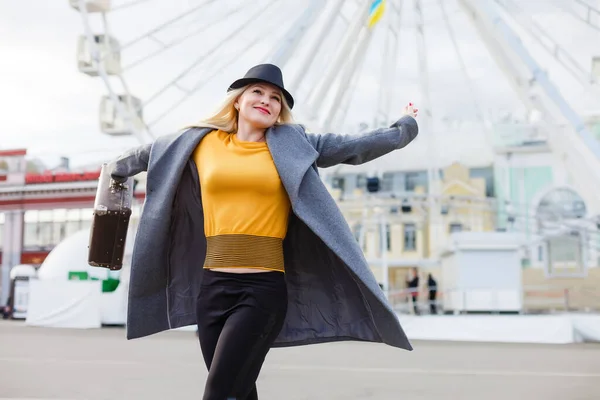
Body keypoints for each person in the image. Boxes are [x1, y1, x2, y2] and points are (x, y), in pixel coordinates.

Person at [105, 63, 419, 399]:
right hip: (212, 289)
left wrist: (404, 126)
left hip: (262, 291)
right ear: (238, 101)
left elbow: (355, 146)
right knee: (239, 390)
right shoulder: (199, 143)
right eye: (257, 92)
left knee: (219, 390)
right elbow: (139, 157)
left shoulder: (294, 144)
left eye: (275, 98)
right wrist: (113, 177)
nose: (266, 100)